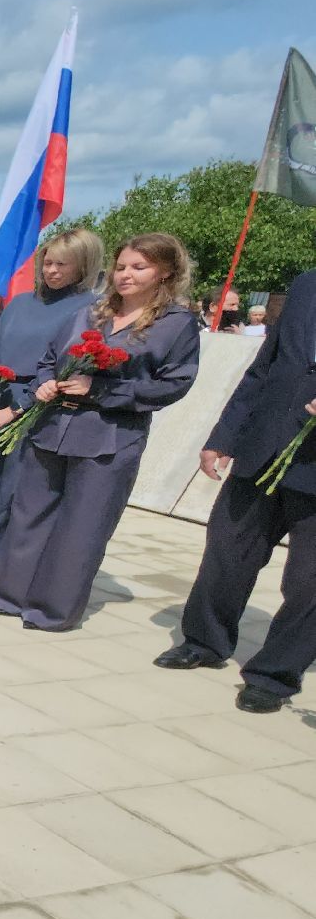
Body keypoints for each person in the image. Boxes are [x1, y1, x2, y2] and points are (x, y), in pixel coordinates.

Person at [0, 233, 200, 631]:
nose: (126, 275)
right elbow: (50, 358)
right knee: (29, 514)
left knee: (81, 527)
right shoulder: (90, 313)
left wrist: (102, 390)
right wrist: (46, 383)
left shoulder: (177, 324)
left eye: (139, 267)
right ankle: (10, 594)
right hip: (52, 427)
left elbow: (174, 384)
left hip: (109, 437)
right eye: (121, 266)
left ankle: (51, 610)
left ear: (165, 272)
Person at [155, 269, 316, 713]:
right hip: (265, 443)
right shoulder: (306, 284)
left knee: (308, 582)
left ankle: (275, 675)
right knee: (228, 550)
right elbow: (265, 366)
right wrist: (224, 435)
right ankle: (205, 641)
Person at [0, 228, 104, 593]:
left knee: (14, 493)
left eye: (63, 264)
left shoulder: (87, 310)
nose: (52, 270)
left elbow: (62, 368)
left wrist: (15, 410)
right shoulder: (20, 303)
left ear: (84, 266)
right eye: (48, 261)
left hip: (34, 409)